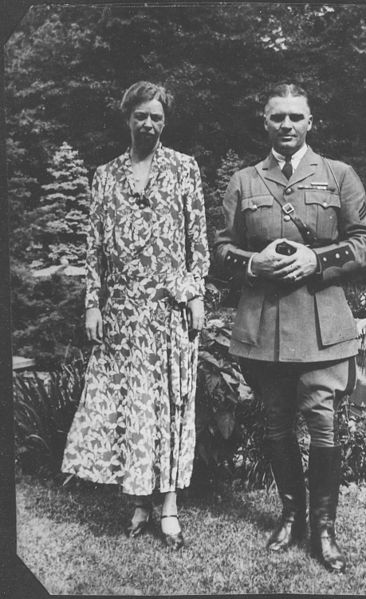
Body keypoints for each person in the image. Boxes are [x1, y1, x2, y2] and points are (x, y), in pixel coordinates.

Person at [214, 82, 366, 572]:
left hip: (323, 322)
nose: (287, 125)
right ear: (264, 122)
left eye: (296, 117)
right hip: (263, 326)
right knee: (275, 423)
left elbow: (365, 243)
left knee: (323, 424)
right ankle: (291, 516)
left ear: (311, 122)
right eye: (277, 117)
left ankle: (324, 530)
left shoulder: (339, 175)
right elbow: (219, 251)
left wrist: (316, 258)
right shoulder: (244, 181)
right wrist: (251, 264)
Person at [62, 81, 209, 550]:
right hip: (123, 314)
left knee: (169, 404)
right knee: (132, 406)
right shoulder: (105, 176)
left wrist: (194, 294)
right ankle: (138, 501)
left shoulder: (185, 169)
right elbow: (95, 247)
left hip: (170, 310)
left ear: (166, 121)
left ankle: (168, 505)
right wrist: (93, 302)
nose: (149, 124)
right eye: (141, 116)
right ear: (127, 117)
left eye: (157, 117)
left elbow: (197, 241)